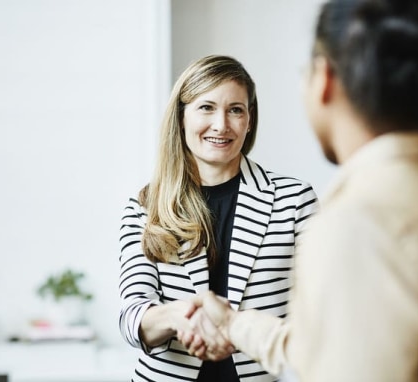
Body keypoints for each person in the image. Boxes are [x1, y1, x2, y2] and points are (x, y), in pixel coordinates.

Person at [187, 0, 418, 381]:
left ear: (323, 79)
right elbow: (322, 349)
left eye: (236, 109)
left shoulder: (356, 224)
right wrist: (236, 324)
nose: (222, 123)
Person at [118, 54, 318, 381]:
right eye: (206, 107)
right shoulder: (145, 205)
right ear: (181, 117)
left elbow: (317, 314)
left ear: (249, 120)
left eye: (235, 110)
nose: (221, 125)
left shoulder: (294, 200)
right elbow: (132, 316)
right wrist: (181, 316)